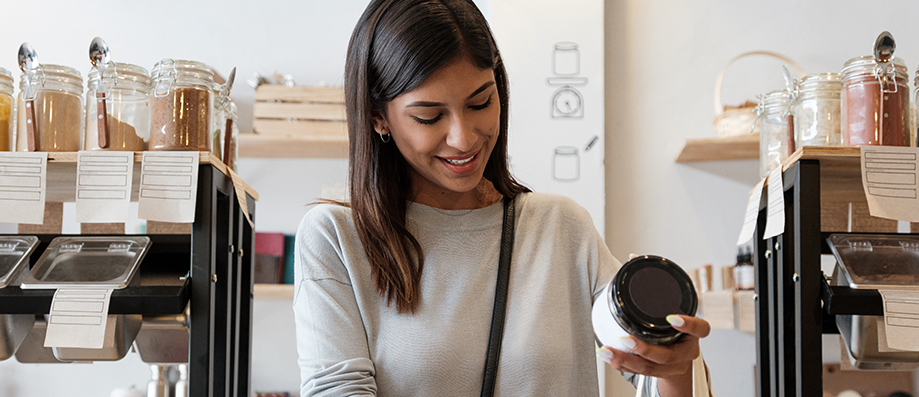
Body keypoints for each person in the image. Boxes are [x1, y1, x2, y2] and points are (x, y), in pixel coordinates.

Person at [292, 0, 710, 395]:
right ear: (377, 115)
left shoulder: (561, 228)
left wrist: (675, 367)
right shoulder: (337, 239)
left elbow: (651, 372)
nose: (464, 138)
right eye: (429, 116)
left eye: (480, 102)